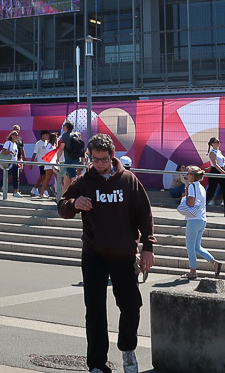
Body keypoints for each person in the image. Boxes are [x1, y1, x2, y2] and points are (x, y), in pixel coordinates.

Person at [58, 133, 154, 373]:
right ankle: (97, 364)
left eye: (103, 159)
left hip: (123, 253)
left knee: (131, 306)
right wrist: (74, 204)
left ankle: (128, 349)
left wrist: (148, 248)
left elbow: (145, 215)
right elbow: (62, 207)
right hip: (94, 254)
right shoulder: (84, 180)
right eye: (94, 159)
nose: (98, 164)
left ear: (112, 156)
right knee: (95, 309)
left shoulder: (129, 181)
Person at [176, 168, 220, 280]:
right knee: (197, 246)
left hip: (193, 219)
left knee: (190, 246)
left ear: (192, 175)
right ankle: (214, 262)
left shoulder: (192, 186)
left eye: (188, 173)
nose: (186, 174)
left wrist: (185, 197)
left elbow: (190, 203)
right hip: (202, 218)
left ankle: (193, 271)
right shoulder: (201, 187)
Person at [205, 137, 225, 217]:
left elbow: (222, 163)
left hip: (221, 170)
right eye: (216, 142)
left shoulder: (219, 152)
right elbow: (215, 164)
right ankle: (200, 208)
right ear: (212, 144)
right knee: (211, 191)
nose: (218, 143)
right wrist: (224, 173)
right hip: (215, 171)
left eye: (218, 142)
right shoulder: (212, 153)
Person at [0, 129, 23, 197]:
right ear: (11, 136)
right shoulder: (8, 143)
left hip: (15, 162)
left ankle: (15, 191)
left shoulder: (15, 144)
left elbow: (17, 154)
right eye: (15, 135)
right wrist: (10, 152)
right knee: (6, 176)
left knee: (16, 178)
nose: (16, 137)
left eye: (17, 135)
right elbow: (3, 151)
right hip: (9, 162)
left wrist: (18, 162)